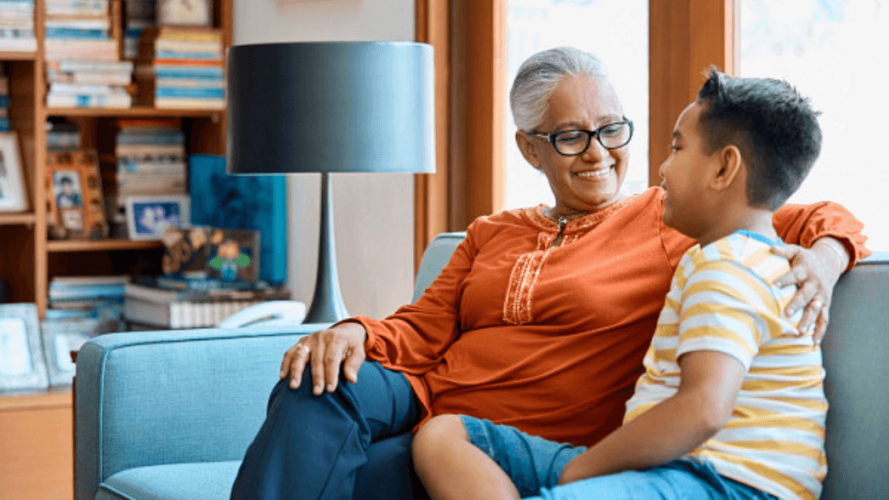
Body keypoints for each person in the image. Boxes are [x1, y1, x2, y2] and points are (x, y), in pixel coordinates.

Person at [230, 48, 869, 500]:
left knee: (375, 476)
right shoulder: (491, 231)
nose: (599, 152)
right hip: (434, 404)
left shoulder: (671, 222)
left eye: (612, 129)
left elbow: (813, 212)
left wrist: (826, 256)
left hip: (520, 439)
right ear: (529, 147)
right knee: (314, 382)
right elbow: (421, 332)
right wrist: (352, 333)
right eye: (570, 136)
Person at [412, 68, 835, 500]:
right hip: (677, 469)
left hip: (723, 483)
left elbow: (704, 408)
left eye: (677, 148)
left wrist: (580, 472)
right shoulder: (732, 257)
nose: (662, 166)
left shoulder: (729, 267)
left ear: (724, 167)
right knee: (445, 433)